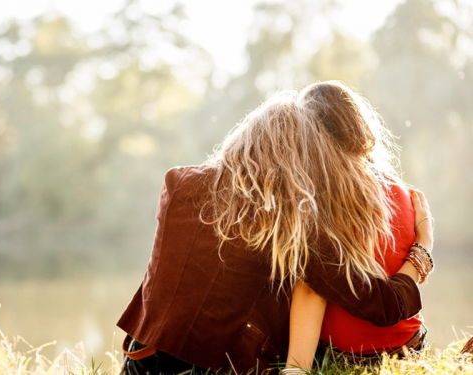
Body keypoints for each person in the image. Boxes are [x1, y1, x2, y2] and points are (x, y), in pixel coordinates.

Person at [117, 86, 434, 375]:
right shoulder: (292, 218)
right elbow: (384, 305)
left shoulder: (178, 182)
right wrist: (423, 249)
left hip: (140, 360)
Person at [282, 81, 435, 373]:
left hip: (346, 356)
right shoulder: (401, 192)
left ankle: (295, 368)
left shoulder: (320, 198)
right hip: (409, 346)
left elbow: (314, 289)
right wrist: (425, 245)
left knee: (307, 273)